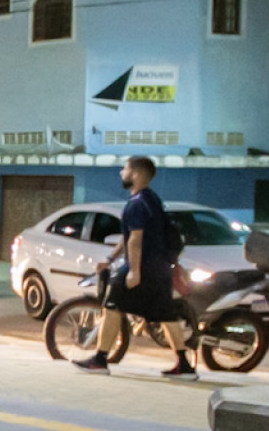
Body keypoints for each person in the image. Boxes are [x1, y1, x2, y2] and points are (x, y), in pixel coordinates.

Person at [74, 155, 195, 378]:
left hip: (142, 267)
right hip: (159, 268)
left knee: (111, 307)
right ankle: (184, 366)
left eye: (125, 169)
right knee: (166, 315)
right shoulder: (152, 199)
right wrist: (110, 259)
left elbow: (135, 240)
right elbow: (128, 236)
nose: (121, 172)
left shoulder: (137, 204)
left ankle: (100, 360)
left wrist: (134, 271)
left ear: (136, 174)